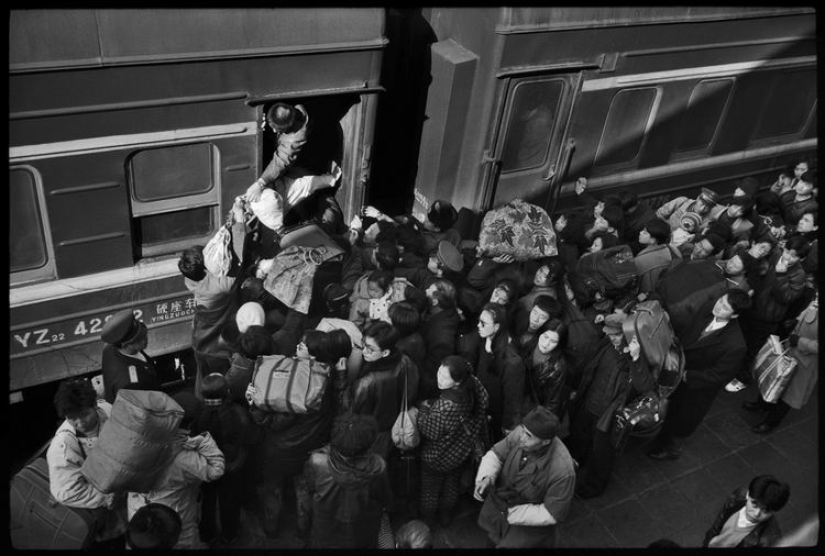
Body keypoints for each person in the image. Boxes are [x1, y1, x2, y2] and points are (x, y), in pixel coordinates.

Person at [647, 290, 751, 460]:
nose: (718, 307)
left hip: (696, 387)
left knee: (682, 420)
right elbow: (689, 332)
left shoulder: (735, 345)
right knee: (668, 410)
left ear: (734, 316)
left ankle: (672, 450)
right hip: (678, 370)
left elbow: (718, 376)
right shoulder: (708, 308)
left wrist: (688, 376)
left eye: (725, 307)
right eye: (721, 301)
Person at [566, 313, 652, 498]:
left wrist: (636, 358)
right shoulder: (607, 344)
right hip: (590, 401)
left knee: (602, 453)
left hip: (609, 415)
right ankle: (575, 462)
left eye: (616, 334)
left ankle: (593, 486)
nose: (612, 337)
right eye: (609, 334)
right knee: (580, 436)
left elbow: (644, 386)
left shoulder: (638, 356)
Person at [127, 392, 226, 549]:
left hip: (138, 517)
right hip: (171, 521)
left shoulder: (139, 441)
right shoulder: (186, 458)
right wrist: (203, 440)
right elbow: (217, 469)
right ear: (192, 425)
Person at [474, 406, 576, 548]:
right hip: (500, 510)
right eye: (522, 430)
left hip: (527, 528)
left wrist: (512, 513)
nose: (521, 438)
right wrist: (486, 477)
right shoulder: (523, 433)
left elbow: (552, 513)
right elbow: (497, 454)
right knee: (492, 540)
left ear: (546, 441)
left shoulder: (563, 471)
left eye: (528, 436)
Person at [46, 378, 127, 546]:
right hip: (103, 523)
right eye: (72, 418)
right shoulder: (63, 447)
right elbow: (66, 491)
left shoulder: (108, 410)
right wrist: (108, 498)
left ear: (95, 406)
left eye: (84, 414)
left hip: (128, 503)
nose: (80, 423)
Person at [725, 235, 809, 393]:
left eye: (794, 256)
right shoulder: (775, 256)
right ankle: (731, 370)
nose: (788, 257)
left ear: (801, 259)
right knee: (739, 341)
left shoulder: (799, 275)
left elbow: (786, 298)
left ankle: (742, 379)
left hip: (768, 318)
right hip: (753, 307)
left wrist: (780, 275)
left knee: (752, 349)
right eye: (788, 252)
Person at [417, 356, 490, 528]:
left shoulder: (447, 406)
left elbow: (430, 431)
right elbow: (485, 400)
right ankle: (446, 517)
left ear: (457, 382)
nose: (439, 378)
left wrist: (423, 409)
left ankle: (428, 522)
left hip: (436, 457)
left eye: (444, 377)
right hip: (461, 452)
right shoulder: (473, 383)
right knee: (451, 486)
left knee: (430, 492)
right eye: (439, 372)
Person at [302, 413, 393, 548]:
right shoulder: (378, 468)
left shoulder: (317, 462)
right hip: (362, 530)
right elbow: (385, 500)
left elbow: (310, 490)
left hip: (325, 528)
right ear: (368, 443)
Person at [191, 373, 259, 547]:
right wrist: (239, 461)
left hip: (206, 466)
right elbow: (249, 439)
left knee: (207, 500)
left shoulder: (197, 413)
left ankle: (207, 534)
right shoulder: (239, 413)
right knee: (230, 501)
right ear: (227, 392)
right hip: (231, 467)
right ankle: (230, 534)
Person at [744, 287, 818, 433]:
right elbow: (807, 314)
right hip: (791, 348)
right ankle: (762, 404)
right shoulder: (817, 300)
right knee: (774, 377)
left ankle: (771, 422)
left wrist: (801, 341)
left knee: (788, 394)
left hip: (806, 362)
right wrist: (795, 321)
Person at [352, 321, 419, 460]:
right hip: (396, 426)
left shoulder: (367, 382)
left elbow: (354, 411)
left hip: (374, 435)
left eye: (370, 348)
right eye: (364, 344)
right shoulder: (405, 361)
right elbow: (411, 392)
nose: (364, 351)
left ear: (385, 352)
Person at [460, 303, 526, 441]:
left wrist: (508, 425)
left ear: (497, 327)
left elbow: (513, 398)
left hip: (496, 414)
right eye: (479, 321)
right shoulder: (482, 341)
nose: (478, 325)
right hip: (480, 407)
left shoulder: (511, 361)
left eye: (483, 323)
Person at [702, 475, 790, 547]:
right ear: (748, 494)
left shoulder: (770, 540)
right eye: (754, 504)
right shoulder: (738, 496)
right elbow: (718, 522)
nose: (756, 513)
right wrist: (708, 541)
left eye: (765, 511)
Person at [99, 309, 161, 404]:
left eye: (144, 334)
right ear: (125, 344)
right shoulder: (130, 385)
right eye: (140, 339)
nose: (145, 339)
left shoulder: (109, 348)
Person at [420, 279, 461, 401]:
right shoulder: (447, 312)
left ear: (435, 301)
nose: (425, 291)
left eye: (429, 290)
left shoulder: (441, 337)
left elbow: (433, 372)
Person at [634, 217, 680, 294]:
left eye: (645, 233)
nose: (640, 232)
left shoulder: (642, 260)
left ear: (653, 240)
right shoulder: (669, 248)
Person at [655, 187, 723, 231]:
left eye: (707, 207)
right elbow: (659, 214)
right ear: (698, 198)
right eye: (702, 204)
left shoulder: (708, 220)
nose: (702, 209)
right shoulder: (682, 201)